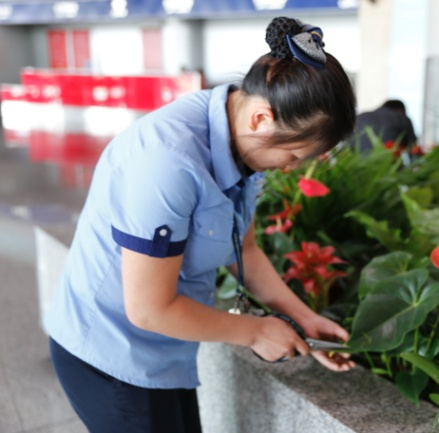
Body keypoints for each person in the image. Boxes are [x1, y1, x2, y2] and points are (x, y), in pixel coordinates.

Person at [45, 16, 357, 433]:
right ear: (262, 119)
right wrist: (255, 332)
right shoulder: (166, 163)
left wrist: (302, 316)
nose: (291, 167)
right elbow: (149, 308)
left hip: (164, 351)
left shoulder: (240, 131)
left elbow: (243, 249)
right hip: (111, 355)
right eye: (296, 154)